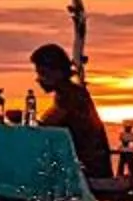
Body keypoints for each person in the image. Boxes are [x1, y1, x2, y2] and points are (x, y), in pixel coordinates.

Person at [31, 42, 113, 184]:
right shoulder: (67, 93)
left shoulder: (70, 95)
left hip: (87, 166)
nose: (39, 79)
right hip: (80, 161)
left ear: (57, 71)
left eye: (43, 73)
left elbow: (49, 125)